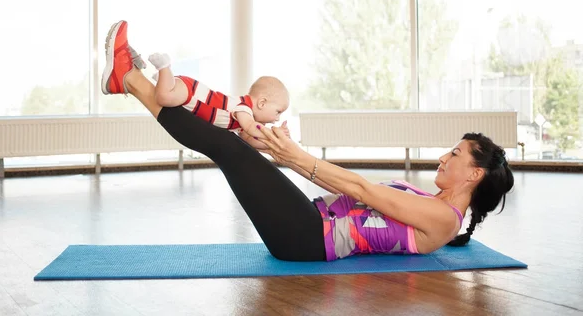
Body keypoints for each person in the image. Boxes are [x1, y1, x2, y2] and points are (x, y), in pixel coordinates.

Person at [101, 26, 514, 261]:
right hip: (306, 223)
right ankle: (130, 82)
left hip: (306, 237)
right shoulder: (431, 203)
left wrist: (296, 156)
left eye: (455, 154)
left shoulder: (444, 219)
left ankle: (131, 80)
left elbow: (362, 189)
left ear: (474, 174)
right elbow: (347, 191)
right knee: (236, 142)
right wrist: (285, 155)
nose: (445, 157)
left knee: (229, 148)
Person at [103, 20, 290, 147]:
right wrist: (273, 134)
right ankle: (164, 68)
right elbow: (251, 128)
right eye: (278, 111)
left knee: (163, 96)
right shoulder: (245, 110)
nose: (277, 118)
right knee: (163, 97)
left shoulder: (242, 122)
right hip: (193, 93)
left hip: (190, 95)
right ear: (262, 102)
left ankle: (131, 75)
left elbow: (251, 140)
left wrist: (274, 141)